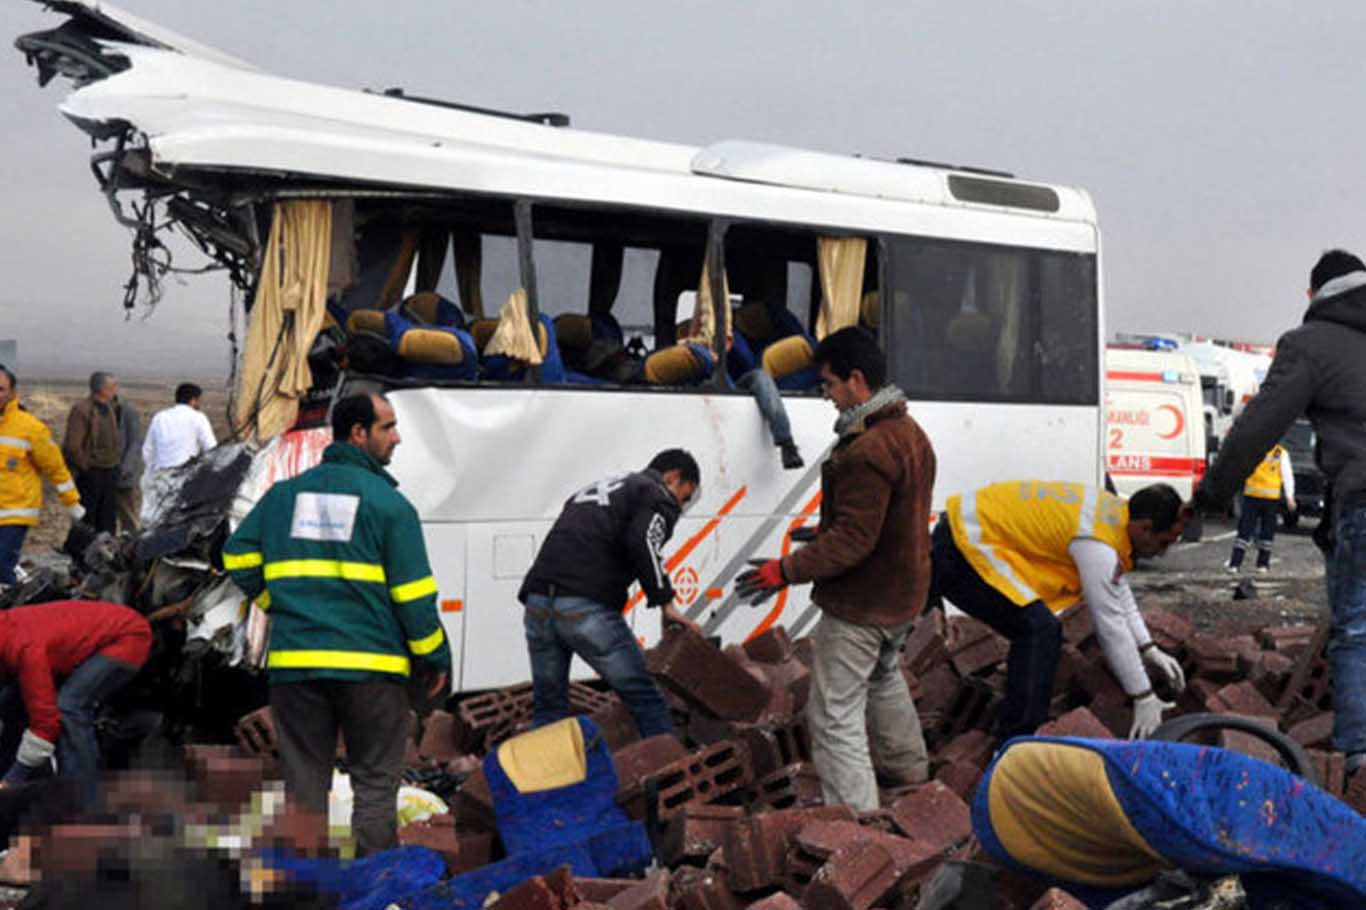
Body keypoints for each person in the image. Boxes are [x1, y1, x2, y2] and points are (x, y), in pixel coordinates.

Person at [223, 393, 450, 855]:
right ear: (358, 433)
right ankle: (373, 892)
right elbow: (414, 598)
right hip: (372, 671)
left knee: (304, 786)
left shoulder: (285, 496)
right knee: (374, 784)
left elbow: (237, 555)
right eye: (387, 427)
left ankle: (304, 895)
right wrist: (433, 656)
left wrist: (279, 604)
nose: (398, 437)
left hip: (296, 669)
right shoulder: (389, 506)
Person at [735, 327, 935, 813]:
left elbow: (854, 541)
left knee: (833, 713)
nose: (825, 396)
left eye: (828, 385)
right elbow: (887, 518)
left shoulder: (867, 450)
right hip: (905, 595)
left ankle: (858, 822)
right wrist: (823, 535)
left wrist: (784, 570)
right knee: (884, 676)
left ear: (857, 380)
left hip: (864, 603)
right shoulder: (910, 433)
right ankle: (909, 769)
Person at [1191, 248, 1366, 781]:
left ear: (1315, 294)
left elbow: (1257, 428)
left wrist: (1213, 495)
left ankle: (1359, 757)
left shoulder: (1310, 345)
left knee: (1357, 628)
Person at [931, 480, 1188, 742]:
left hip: (967, 533)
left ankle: (1020, 729)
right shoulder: (1097, 543)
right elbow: (1110, 625)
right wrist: (1143, 696)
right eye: (1163, 542)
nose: (1162, 553)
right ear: (1145, 528)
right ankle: (1015, 742)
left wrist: (1148, 648)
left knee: (1038, 628)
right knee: (1038, 631)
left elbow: (1118, 589)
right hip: (963, 547)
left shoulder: (1114, 516)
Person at [519, 449, 700, 739]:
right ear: (673, 477)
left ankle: (543, 781)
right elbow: (644, 541)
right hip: (584, 604)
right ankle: (668, 773)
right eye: (685, 496)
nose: (682, 505)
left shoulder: (600, 488)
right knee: (645, 697)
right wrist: (666, 604)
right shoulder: (655, 494)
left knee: (549, 711)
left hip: (537, 601)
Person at [0, 600, 151, 805]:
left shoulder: (25, 650)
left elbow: (45, 720)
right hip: (89, 634)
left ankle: (81, 800)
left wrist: (14, 778)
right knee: (10, 699)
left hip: (127, 636)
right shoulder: (8, 631)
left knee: (70, 706)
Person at [0, 365, 84, 585]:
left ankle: (11, 614)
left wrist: (72, 502)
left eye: (0, 389)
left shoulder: (31, 428)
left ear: (12, 392)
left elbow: (55, 467)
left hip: (14, 512)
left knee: (1, 565)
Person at [140, 383, 217, 522]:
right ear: (193, 400)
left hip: (160, 478)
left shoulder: (160, 417)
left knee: (155, 522)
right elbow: (212, 450)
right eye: (200, 400)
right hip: (185, 479)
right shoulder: (198, 417)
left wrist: (153, 472)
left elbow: (147, 451)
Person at [62, 371, 123, 534]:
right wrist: (86, 466)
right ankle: (82, 552)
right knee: (88, 516)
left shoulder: (110, 408)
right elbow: (72, 446)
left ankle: (106, 551)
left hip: (109, 470)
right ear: (102, 388)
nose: (115, 389)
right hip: (91, 472)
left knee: (108, 516)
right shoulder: (82, 409)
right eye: (112, 386)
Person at [1226, 444, 1295, 574]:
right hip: (1259, 497)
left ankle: (1247, 563)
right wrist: (1289, 496)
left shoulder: (1264, 451)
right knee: (1250, 531)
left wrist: (1289, 496)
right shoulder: (1278, 453)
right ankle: (1243, 563)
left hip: (1260, 497)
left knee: (1259, 532)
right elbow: (1287, 476)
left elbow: (1287, 476)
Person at [114, 395, 142, 534]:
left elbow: (135, 442)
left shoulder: (128, 412)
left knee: (127, 513)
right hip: (103, 471)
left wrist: (126, 468)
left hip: (123, 473)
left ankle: (131, 543)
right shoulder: (96, 411)